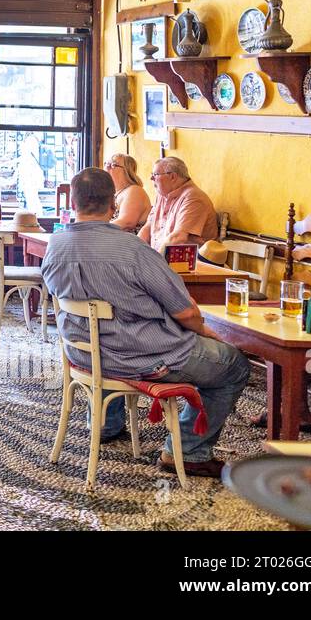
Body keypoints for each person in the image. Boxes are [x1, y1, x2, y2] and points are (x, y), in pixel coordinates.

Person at [40, 168, 249, 478]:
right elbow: (185, 312)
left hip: (84, 356)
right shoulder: (134, 251)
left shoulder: (55, 246)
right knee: (233, 365)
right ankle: (190, 450)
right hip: (143, 358)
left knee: (109, 334)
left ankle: (105, 424)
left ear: (73, 202)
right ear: (113, 204)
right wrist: (206, 333)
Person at [138, 156, 219, 252]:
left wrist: (156, 263)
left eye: (155, 174)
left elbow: (178, 238)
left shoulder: (193, 198)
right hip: (162, 257)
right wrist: (134, 250)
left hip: (188, 262)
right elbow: (148, 226)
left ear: (172, 177)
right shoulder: (162, 195)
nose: (151, 178)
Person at [105, 153, 151, 232]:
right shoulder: (114, 193)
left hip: (129, 242)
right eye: (106, 164)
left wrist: (98, 230)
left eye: (113, 165)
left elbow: (127, 223)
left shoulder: (134, 190)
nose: (106, 168)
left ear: (127, 170)